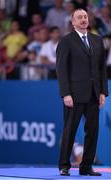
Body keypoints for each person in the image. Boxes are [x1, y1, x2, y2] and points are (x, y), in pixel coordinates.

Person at [56, 9, 108, 176]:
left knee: (92, 132)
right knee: (69, 130)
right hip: (74, 95)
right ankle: (64, 165)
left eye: (85, 16)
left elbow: (102, 69)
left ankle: (86, 166)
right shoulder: (66, 41)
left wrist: (103, 92)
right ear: (73, 22)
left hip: (93, 94)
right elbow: (61, 69)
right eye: (79, 17)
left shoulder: (97, 40)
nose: (83, 19)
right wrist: (65, 93)